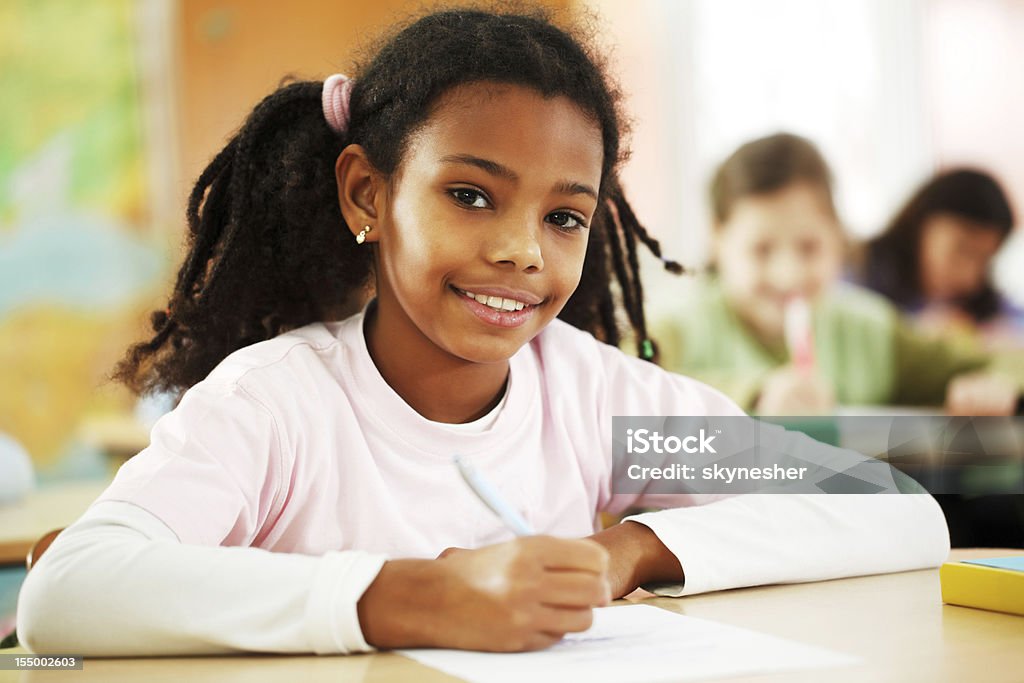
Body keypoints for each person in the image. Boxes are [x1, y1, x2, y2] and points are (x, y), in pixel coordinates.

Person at [18, 10, 949, 657]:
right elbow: (68, 591)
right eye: (470, 196)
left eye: (565, 218)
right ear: (367, 194)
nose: (520, 251)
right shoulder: (278, 403)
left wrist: (632, 551)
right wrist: (418, 596)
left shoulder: (598, 400)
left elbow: (898, 506)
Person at [652, 133, 1020, 415]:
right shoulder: (676, 330)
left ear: (837, 237)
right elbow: (616, 393)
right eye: (761, 250)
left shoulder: (869, 329)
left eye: (809, 248)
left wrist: (1000, 383)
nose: (788, 275)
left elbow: (998, 360)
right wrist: (755, 393)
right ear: (718, 240)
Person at [862, 169, 1016, 335]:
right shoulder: (859, 274)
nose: (968, 276)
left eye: (984, 261)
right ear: (920, 225)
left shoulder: (982, 303)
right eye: (961, 250)